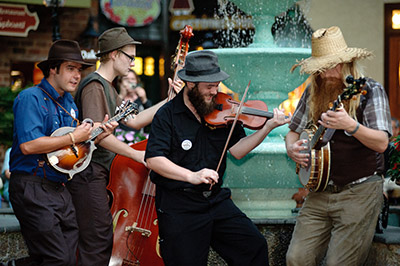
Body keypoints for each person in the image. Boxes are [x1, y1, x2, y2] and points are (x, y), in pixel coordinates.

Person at [145, 50, 291, 266]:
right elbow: (154, 159)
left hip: (215, 200)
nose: (215, 91)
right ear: (191, 84)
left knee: (253, 246)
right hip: (180, 205)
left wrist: (267, 128)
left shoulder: (223, 110)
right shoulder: (167, 115)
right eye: (209, 86)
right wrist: (192, 176)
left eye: (217, 85)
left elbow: (238, 150)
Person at [68, 27, 181, 265]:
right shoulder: (94, 86)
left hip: (101, 174)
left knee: (100, 238)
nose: (133, 62)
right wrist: (137, 156)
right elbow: (97, 136)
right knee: (97, 240)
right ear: (114, 54)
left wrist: (170, 100)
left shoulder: (108, 86)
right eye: (130, 57)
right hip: (90, 174)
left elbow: (135, 120)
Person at [285, 26, 392, 266]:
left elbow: (382, 143)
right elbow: (292, 132)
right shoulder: (313, 91)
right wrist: (291, 149)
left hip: (360, 190)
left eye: (334, 65)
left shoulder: (369, 91)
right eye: (321, 68)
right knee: (296, 258)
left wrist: (350, 125)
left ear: (348, 63)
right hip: (319, 190)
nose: (328, 73)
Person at [9, 40, 117, 266]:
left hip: (59, 187)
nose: (77, 75)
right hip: (32, 185)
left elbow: (71, 149)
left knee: (67, 257)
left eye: (79, 69)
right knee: (58, 258)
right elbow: (28, 146)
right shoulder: (31, 98)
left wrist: (94, 135)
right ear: (53, 69)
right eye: (70, 68)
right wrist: (73, 137)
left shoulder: (69, 103)